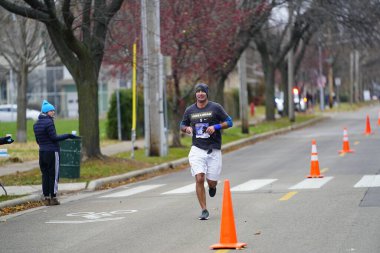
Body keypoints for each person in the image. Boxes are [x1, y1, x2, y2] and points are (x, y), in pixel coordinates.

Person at [180, 83, 233, 220]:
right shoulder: (190, 110)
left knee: (211, 182)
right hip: (197, 149)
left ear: (206, 93)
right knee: (199, 178)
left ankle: (212, 187)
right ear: (195, 94)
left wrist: (215, 127)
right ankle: (204, 209)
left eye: (203, 91)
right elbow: (182, 124)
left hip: (213, 150)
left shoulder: (215, 107)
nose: (200, 94)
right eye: (198, 91)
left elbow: (230, 122)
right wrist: (187, 129)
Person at [33, 100, 79, 206]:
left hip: (42, 152)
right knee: (53, 175)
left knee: (45, 175)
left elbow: (38, 141)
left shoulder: (36, 125)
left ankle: (46, 197)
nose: (53, 112)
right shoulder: (49, 122)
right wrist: (68, 135)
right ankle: (53, 198)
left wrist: (44, 145)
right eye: (51, 110)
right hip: (52, 152)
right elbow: (54, 138)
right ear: (46, 112)